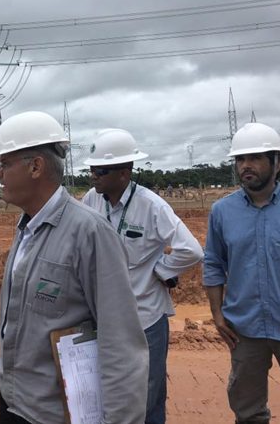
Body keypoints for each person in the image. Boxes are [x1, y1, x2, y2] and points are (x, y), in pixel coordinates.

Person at [0, 111, 149, 424]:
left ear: (35, 167)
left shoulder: (90, 233)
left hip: (54, 414)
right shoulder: (26, 228)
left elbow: (121, 344)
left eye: (5, 163)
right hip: (12, 402)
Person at [81, 128, 204, 424]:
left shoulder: (151, 206)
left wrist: (160, 271)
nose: (94, 176)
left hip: (144, 319)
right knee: (105, 392)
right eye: (92, 169)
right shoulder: (91, 200)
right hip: (102, 318)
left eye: (101, 170)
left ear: (124, 173)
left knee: (147, 397)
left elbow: (191, 250)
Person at [203, 122, 280, 424]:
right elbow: (213, 263)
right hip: (244, 330)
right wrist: (217, 314)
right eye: (240, 159)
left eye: (255, 158)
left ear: (277, 163)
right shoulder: (222, 212)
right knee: (248, 412)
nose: (245, 165)